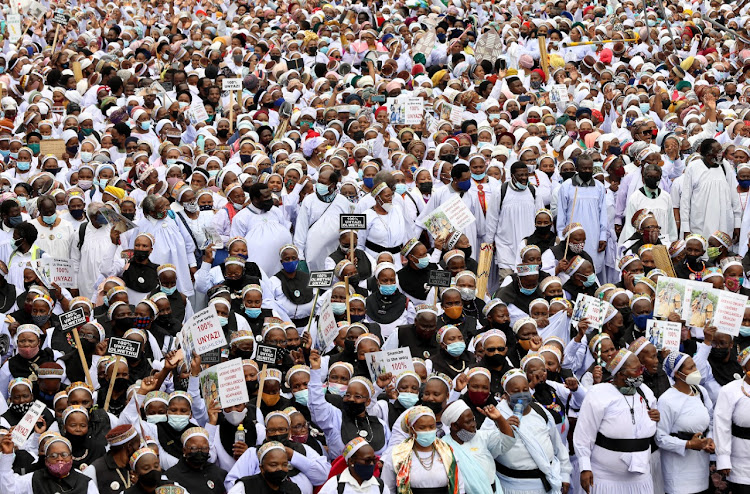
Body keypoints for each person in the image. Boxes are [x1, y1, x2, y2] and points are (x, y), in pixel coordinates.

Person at [574, 349, 659, 494]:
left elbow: (651, 421)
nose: (640, 373)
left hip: (640, 479)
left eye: (641, 368)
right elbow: (584, 435)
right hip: (605, 479)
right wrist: (585, 467)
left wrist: (655, 417)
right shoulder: (599, 393)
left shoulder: (645, 391)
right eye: (636, 369)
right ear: (620, 373)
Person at [656, 352, 714, 494]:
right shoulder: (667, 400)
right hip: (678, 475)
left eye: (694, 366)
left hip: (701, 470)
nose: (695, 370)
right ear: (677, 373)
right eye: (690, 368)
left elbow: (711, 421)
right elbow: (660, 438)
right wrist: (688, 444)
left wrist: (710, 439)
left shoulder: (701, 392)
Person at [381, 406, 464, 494]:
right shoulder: (397, 454)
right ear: (411, 429)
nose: (428, 431)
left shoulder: (447, 451)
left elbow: (459, 485)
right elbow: (387, 488)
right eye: (422, 427)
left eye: (431, 427)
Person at [441, 400, 517, 494]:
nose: (473, 425)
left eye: (473, 419)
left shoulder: (482, 436)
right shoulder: (444, 446)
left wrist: (499, 419)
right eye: (468, 422)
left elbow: (508, 441)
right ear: (455, 426)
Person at [318, 438, 388, 494]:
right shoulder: (335, 485)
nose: (372, 464)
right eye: (367, 460)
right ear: (351, 461)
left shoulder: (380, 486)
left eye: (374, 460)